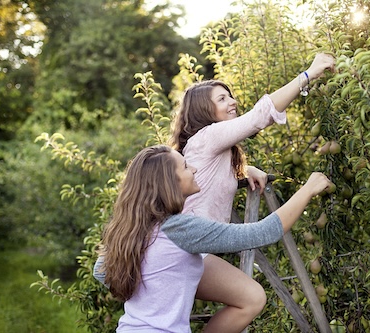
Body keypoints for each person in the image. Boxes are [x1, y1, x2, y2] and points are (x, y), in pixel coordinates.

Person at [168, 53, 335, 332]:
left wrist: (244, 170)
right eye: (221, 99)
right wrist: (309, 73)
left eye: (229, 96)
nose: (232, 102)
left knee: (250, 297)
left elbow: (210, 176)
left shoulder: (208, 148)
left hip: (194, 251)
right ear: (202, 111)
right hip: (184, 251)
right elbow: (260, 116)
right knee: (251, 297)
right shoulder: (207, 137)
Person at [94, 144, 333, 332]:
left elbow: (101, 271)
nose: (194, 169)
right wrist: (308, 189)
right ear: (170, 183)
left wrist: (163, 284)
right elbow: (263, 233)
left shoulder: (133, 230)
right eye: (186, 167)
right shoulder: (180, 229)